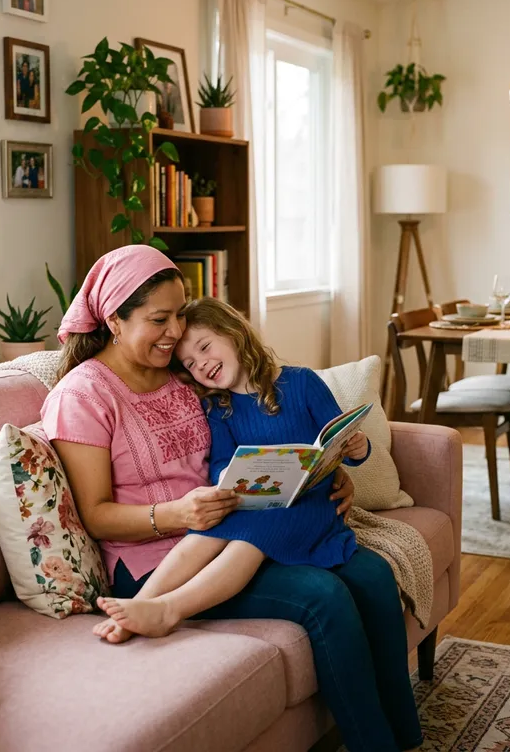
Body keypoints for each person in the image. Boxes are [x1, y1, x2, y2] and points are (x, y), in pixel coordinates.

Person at [41, 246, 424, 752]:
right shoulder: (83, 394)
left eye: (180, 315)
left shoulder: (179, 375)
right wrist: (178, 513)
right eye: (161, 319)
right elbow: (95, 516)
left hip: (233, 523)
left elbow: (266, 410)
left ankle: (406, 732)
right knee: (325, 597)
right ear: (114, 319)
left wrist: (334, 471)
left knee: (374, 576)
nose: (177, 333)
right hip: (160, 558)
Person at [97, 296, 371, 638]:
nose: (202, 364)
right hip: (261, 501)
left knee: (247, 540)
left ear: (235, 332)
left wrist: (357, 449)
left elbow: (340, 439)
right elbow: (221, 462)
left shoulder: (302, 383)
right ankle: (141, 604)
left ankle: (170, 610)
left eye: (205, 347)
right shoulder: (217, 408)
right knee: (205, 533)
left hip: (312, 507)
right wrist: (228, 476)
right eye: (190, 363)